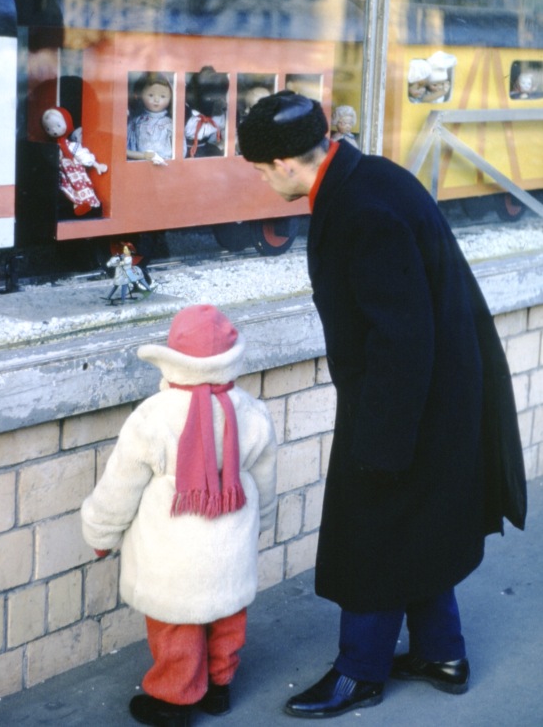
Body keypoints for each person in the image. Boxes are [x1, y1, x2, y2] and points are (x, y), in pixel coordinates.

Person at [237, 90, 526, 719]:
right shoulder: (370, 178)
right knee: (417, 526)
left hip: (404, 402)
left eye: (260, 168)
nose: (260, 180)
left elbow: (401, 338)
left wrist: (382, 446)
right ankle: (441, 654)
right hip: (436, 393)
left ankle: (360, 671)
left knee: (370, 532)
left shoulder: (359, 209)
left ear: (287, 161)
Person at [81, 304, 277, 727]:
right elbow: (264, 481)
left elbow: (120, 486)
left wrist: (101, 531)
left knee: (176, 625)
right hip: (231, 544)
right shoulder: (251, 412)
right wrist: (262, 524)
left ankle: (174, 701)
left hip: (171, 552)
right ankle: (219, 688)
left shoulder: (153, 416)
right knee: (227, 617)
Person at [127, 72, 182, 163]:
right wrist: (144, 156)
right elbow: (127, 150)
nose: (156, 100)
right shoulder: (136, 122)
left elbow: (180, 151)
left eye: (163, 96)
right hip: (141, 166)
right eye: (151, 95)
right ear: (141, 95)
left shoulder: (171, 123)